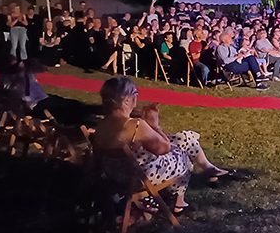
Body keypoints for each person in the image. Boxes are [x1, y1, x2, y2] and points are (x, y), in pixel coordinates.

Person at [92, 77, 229, 214]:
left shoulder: (101, 126)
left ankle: (207, 169)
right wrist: (155, 126)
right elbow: (165, 148)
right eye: (135, 93)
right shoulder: (136, 126)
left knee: (183, 138)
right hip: (141, 178)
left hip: (117, 177)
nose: (136, 97)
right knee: (184, 154)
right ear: (126, 100)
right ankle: (179, 200)